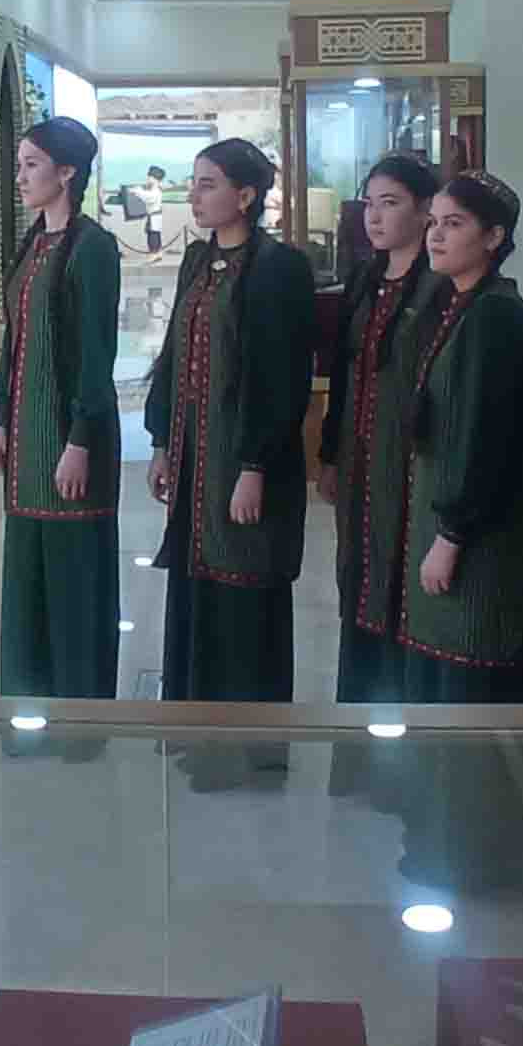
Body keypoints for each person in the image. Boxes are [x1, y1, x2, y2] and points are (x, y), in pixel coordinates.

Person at [146, 138, 316, 704]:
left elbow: (282, 376)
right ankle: (191, 718)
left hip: (241, 461)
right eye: (193, 183)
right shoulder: (198, 260)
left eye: (208, 184)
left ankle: (248, 734)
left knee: (244, 581)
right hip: (194, 457)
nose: (194, 196)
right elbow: (173, 354)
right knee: (194, 583)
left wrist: (254, 465)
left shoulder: (278, 268)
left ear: (245, 196)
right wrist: (161, 443)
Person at [396, 170, 523, 702]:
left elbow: (485, 439)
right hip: (447, 523)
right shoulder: (459, 305)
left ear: (494, 236)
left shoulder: (495, 315)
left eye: (454, 224)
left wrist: (452, 535)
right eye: (433, 222)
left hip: (482, 539)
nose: (436, 235)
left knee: (469, 686)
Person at [0, 118, 122, 698]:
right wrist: (1, 415)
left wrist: (80, 439)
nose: (20, 178)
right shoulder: (33, 244)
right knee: (29, 576)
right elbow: (14, 341)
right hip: (27, 439)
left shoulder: (92, 248)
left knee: (74, 578)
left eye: (32, 166)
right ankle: (29, 704)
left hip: (69, 439)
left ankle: (82, 710)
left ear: (66, 172)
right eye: (19, 165)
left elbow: (96, 354)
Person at [317, 153, 439, 704]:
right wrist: (329, 454)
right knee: (357, 573)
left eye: (390, 203)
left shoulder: (439, 286)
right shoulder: (366, 278)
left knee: (401, 576)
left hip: (408, 461)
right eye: (369, 203)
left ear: (425, 209)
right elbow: (343, 375)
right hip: (358, 455)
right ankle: (359, 709)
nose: (374, 216)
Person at [141, 165, 169, 257]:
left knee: (153, 234)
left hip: (154, 215)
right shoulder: (155, 189)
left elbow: (148, 198)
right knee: (155, 234)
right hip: (155, 215)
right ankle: (158, 252)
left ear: (155, 179)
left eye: (149, 177)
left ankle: (154, 253)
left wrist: (138, 192)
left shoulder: (155, 190)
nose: (148, 179)